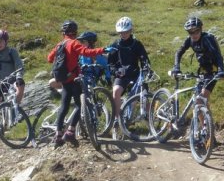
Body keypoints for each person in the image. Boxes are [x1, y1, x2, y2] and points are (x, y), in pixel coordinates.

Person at [47, 20, 112, 148]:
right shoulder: (74, 43)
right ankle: (70, 131)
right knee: (79, 105)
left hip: (64, 80)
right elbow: (86, 52)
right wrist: (103, 49)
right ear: (75, 32)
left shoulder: (60, 44)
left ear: (63, 32)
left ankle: (58, 135)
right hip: (74, 79)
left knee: (64, 107)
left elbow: (49, 58)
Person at [106, 16, 151, 135]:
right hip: (121, 75)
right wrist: (115, 71)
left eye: (125, 31)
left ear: (130, 30)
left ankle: (151, 121)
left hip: (136, 73)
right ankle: (116, 119)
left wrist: (146, 67)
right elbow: (110, 63)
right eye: (121, 32)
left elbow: (144, 58)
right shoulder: (115, 44)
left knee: (144, 94)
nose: (123, 34)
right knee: (115, 91)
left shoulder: (137, 44)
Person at [171, 17, 224, 107]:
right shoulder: (189, 40)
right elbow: (178, 52)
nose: (194, 34)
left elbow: (218, 55)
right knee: (198, 102)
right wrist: (176, 67)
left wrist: (221, 70)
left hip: (213, 71)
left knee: (200, 99)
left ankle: (206, 120)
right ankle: (206, 121)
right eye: (191, 32)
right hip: (201, 72)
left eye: (196, 31)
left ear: (201, 29)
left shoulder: (207, 39)